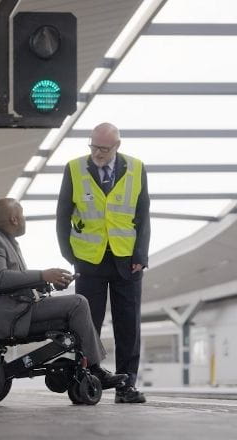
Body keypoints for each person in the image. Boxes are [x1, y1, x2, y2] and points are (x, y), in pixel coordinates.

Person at [0, 198, 127, 389]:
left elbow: (14, 282)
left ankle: (85, 369)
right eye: (22, 215)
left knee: (76, 306)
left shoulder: (6, 241)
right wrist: (43, 275)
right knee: (78, 303)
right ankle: (95, 369)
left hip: (19, 307)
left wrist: (51, 283)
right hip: (14, 313)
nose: (24, 219)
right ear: (14, 219)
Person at [56, 122, 150, 404]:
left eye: (104, 148)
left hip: (126, 259)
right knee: (86, 325)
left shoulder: (136, 168)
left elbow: (143, 214)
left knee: (128, 325)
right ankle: (88, 380)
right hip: (89, 260)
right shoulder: (74, 168)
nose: (97, 152)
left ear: (117, 146)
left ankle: (126, 385)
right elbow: (62, 214)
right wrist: (70, 256)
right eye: (93, 146)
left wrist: (140, 256)